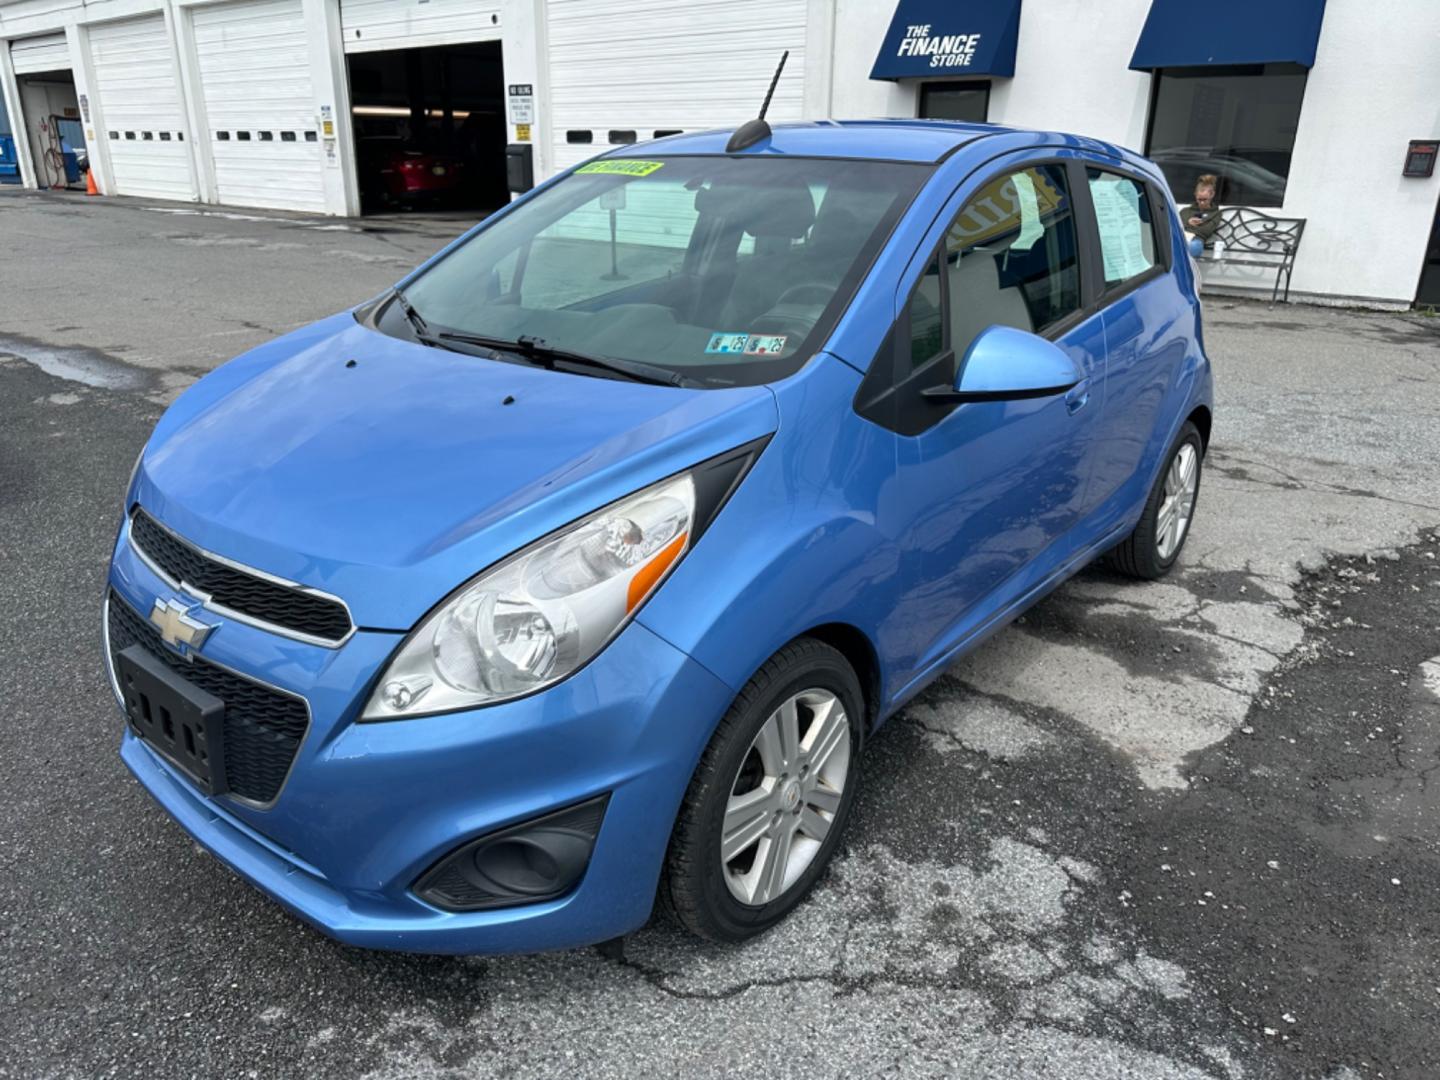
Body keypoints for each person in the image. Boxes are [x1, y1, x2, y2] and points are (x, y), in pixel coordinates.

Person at [1181, 174, 1223, 258]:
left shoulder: (1216, 213)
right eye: (1199, 199)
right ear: (1195, 195)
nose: (1202, 202)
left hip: (1196, 241)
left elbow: (1206, 231)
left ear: (1212, 195)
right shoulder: (1185, 211)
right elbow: (1176, 226)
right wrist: (1189, 223)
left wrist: (1187, 226)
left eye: (1205, 200)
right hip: (1182, 238)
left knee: (1193, 246)